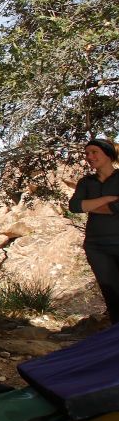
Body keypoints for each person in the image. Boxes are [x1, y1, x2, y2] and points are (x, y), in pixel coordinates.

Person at [68, 138, 119, 324]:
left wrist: (89, 205)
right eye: (87, 153)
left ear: (108, 154)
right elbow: (74, 206)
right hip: (96, 247)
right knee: (112, 294)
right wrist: (108, 198)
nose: (89, 157)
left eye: (94, 152)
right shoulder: (86, 182)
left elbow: (117, 208)